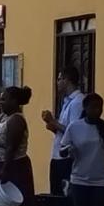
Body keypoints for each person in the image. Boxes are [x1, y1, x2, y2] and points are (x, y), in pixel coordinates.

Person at [42, 65, 85, 195]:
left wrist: (53, 122)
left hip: (67, 157)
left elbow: (74, 132)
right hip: (58, 155)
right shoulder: (67, 102)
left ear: (67, 80)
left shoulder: (78, 102)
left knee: (64, 197)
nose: (57, 82)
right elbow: (64, 131)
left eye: (59, 79)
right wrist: (53, 127)